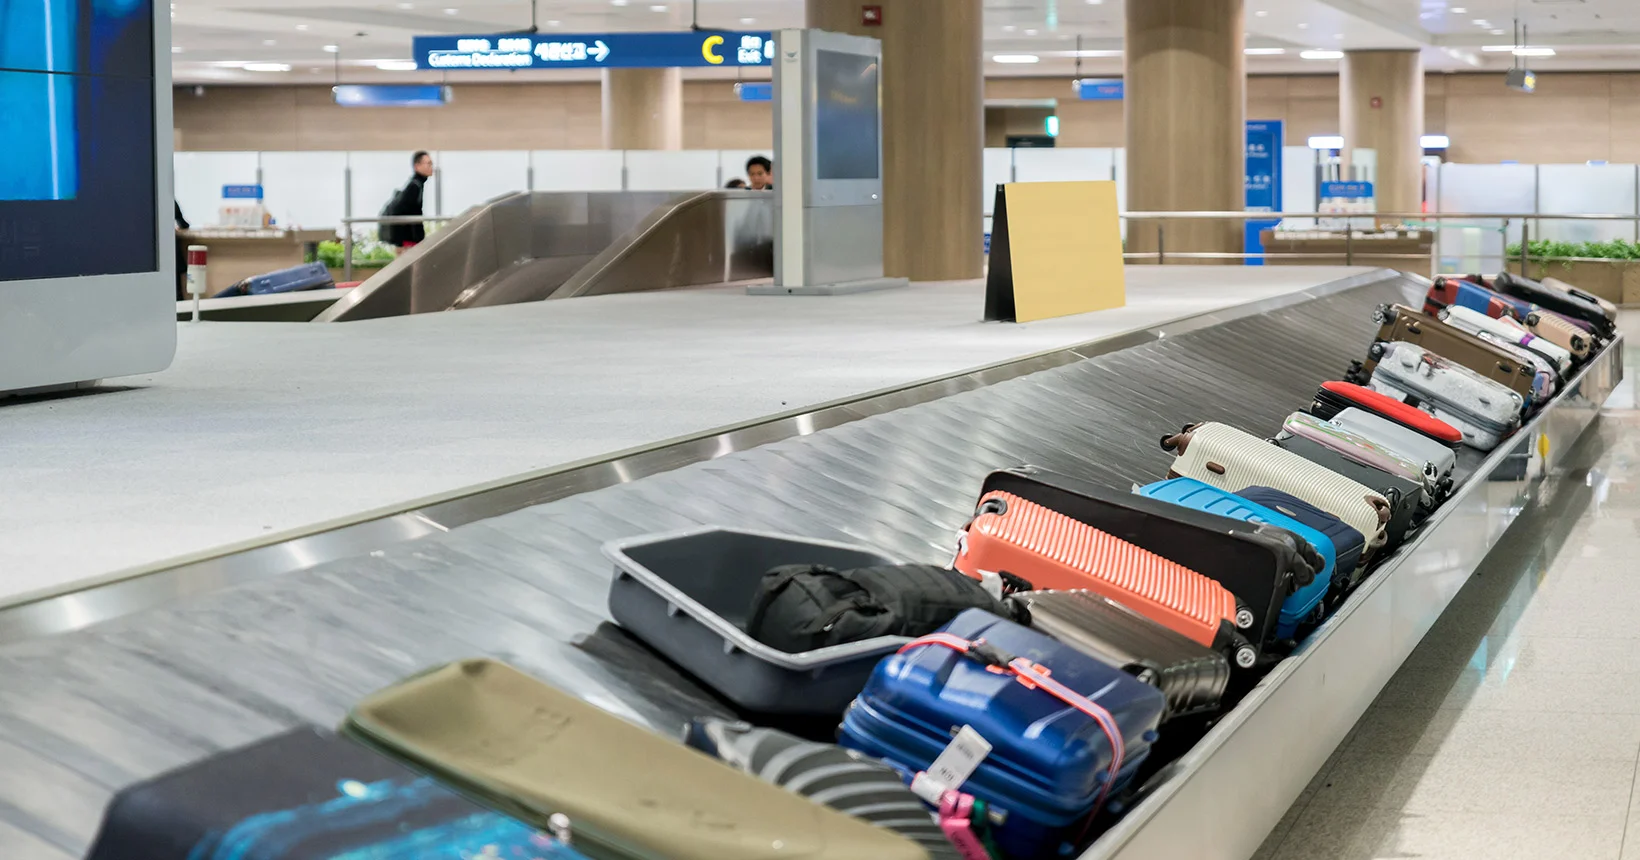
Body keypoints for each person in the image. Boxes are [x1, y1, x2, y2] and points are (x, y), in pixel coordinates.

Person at [380, 151, 433, 249]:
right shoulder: (414, 186)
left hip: (407, 241)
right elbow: (402, 210)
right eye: (428, 163)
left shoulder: (416, 184)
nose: (431, 167)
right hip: (408, 241)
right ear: (417, 166)